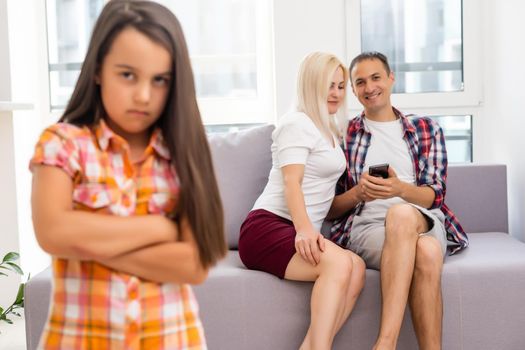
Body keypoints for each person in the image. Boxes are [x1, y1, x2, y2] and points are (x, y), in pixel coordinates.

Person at [29, 1, 226, 349]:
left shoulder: (185, 156)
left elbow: (193, 265)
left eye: (160, 80)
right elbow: (53, 232)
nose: (144, 95)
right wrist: (162, 228)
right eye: (127, 75)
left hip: (173, 339)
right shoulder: (63, 143)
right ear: (97, 69)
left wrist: (88, 241)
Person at [327, 51, 469, 350]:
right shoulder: (344, 136)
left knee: (404, 216)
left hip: (422, 220)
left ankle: (385, 343)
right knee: (427, 253)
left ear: (391, 79)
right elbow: (330, 210)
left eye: (376, 78)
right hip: (368, 229)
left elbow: (434, 196)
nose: (369, 87)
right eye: (360, 82)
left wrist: (399, 189)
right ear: (353, 90)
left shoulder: (426, 129)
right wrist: (358, 193)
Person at [239, 52, 366, 350]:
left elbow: (324, 196)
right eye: (329, 85)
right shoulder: (296, 123)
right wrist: (305, 230)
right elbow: (291, 182)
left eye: (340, 85)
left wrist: (360, 193)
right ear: (311, 85)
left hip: (294, 226)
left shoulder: (330, 130)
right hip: (267, 227)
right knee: (338, 264)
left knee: (356, 267)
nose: (336, 93)